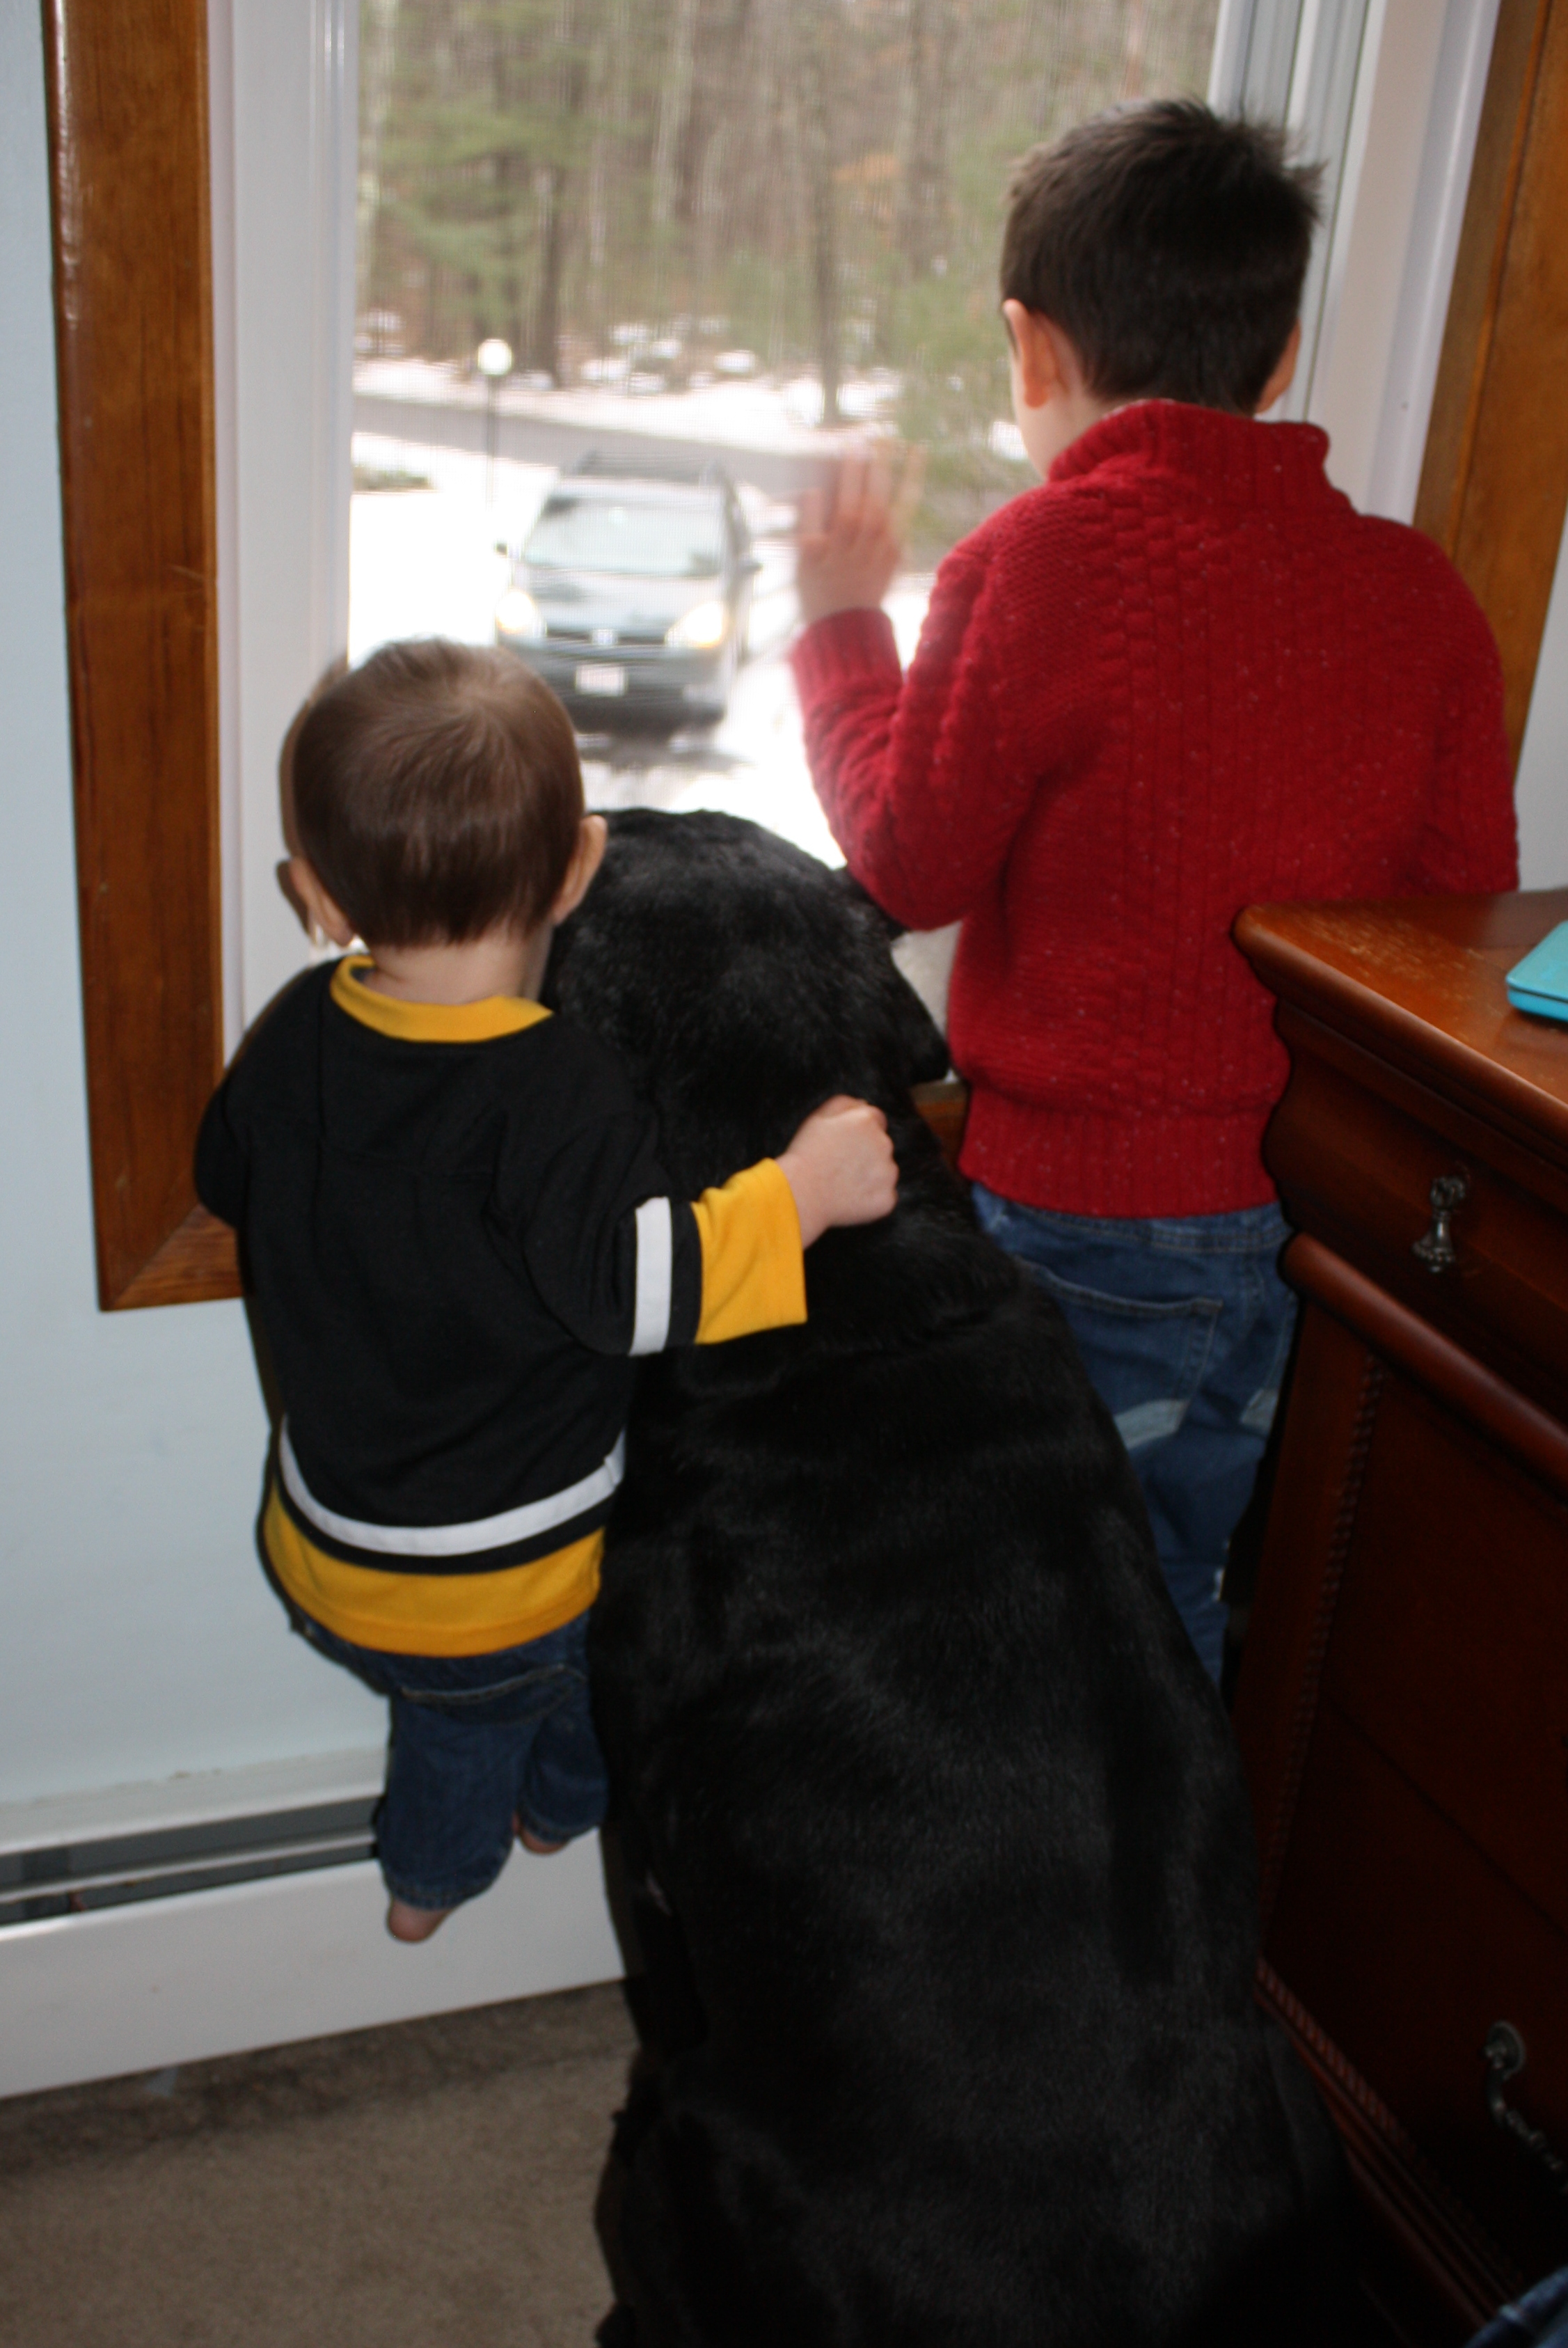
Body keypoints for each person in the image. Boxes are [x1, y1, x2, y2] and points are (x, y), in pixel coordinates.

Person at [791, 100, 1517, 1684]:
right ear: (1280, 354)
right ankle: (1176, 1825)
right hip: (1308, 1219)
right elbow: (1462, 920)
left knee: (1035, 1593)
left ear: (1030, 348)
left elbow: (906, 862)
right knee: (1177, 1578)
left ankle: (1066, 1835)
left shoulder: (1036, 561)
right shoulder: (1418, 594)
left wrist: (843, 632)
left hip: (1083, 1220)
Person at [197, 639, 897, 1939]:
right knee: (545, 1709)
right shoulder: (557, 1086)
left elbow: (226, 1176)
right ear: (580, 867)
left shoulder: (295, 1029)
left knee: (483, 1699)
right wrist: (799, 1195)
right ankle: (440, 1878)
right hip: (498, 1595)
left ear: (317, 898)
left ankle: (497, 1823)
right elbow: (637, 1294)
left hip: (321, 1542)